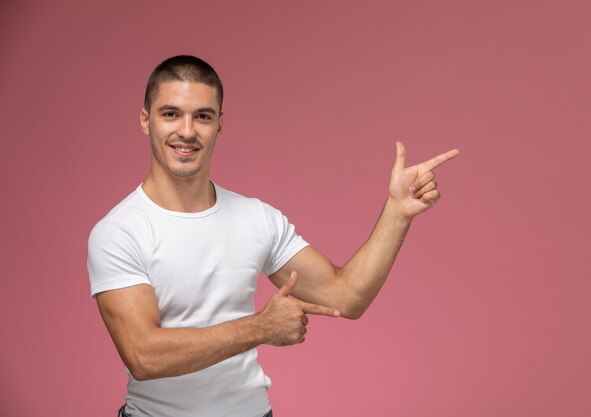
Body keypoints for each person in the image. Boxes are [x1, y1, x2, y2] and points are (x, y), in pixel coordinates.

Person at [88, 55, 459, 417]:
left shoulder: (256, 218)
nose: (187, 131)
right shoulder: (120, 232)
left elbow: (346, 297)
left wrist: (397, 212)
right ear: (145, 120)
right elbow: (143, 356)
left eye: (202, 116)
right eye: (171, 114)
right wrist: (262, 327)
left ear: (219, 124)